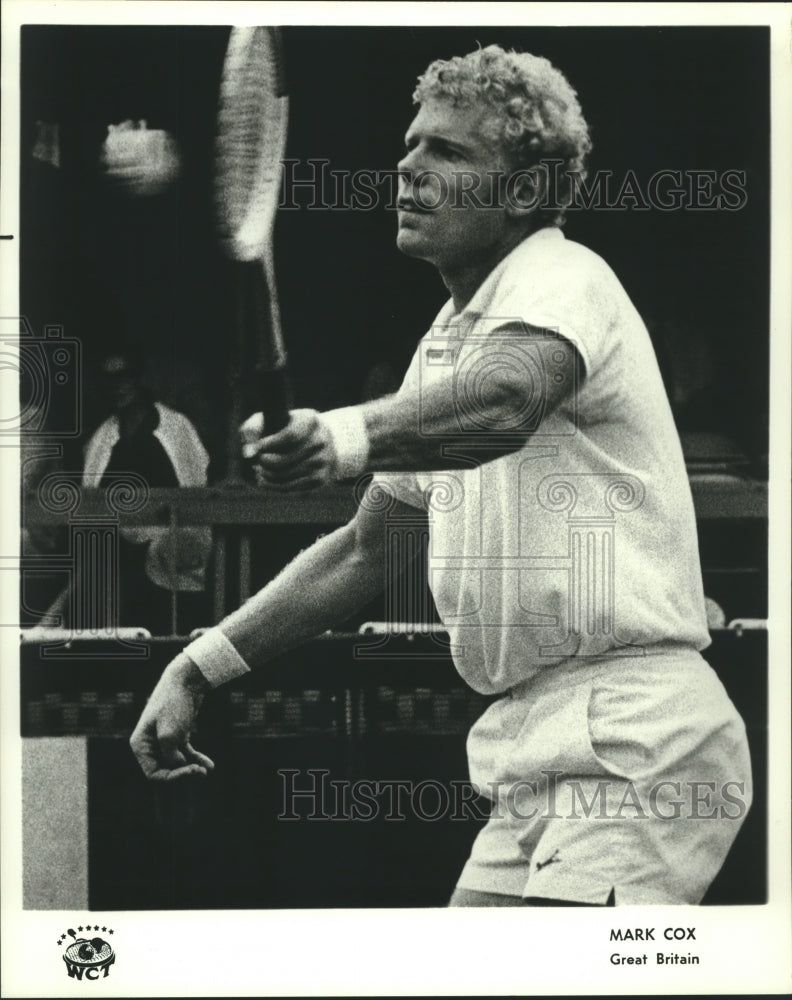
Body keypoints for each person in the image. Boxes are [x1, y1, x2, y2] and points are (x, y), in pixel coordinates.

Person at [131, 45, 751, 906]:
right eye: (411, 143)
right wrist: (198, 666)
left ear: (527, 192)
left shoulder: (565, 276)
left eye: (449, 152)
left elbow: (507, 399)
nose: (408, 166)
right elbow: (363, 551)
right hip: (524, 756)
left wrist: (345, 435)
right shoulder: (446, 343)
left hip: (634, 740)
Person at [81, 349, 212, 634]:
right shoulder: (102, 437)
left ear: (138, 379)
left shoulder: (176, 427)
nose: (117, 386)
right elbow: (90, 495)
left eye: (123, 377)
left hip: (169, 542)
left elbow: (195, 485)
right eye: (109, 379)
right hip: (119, 554)